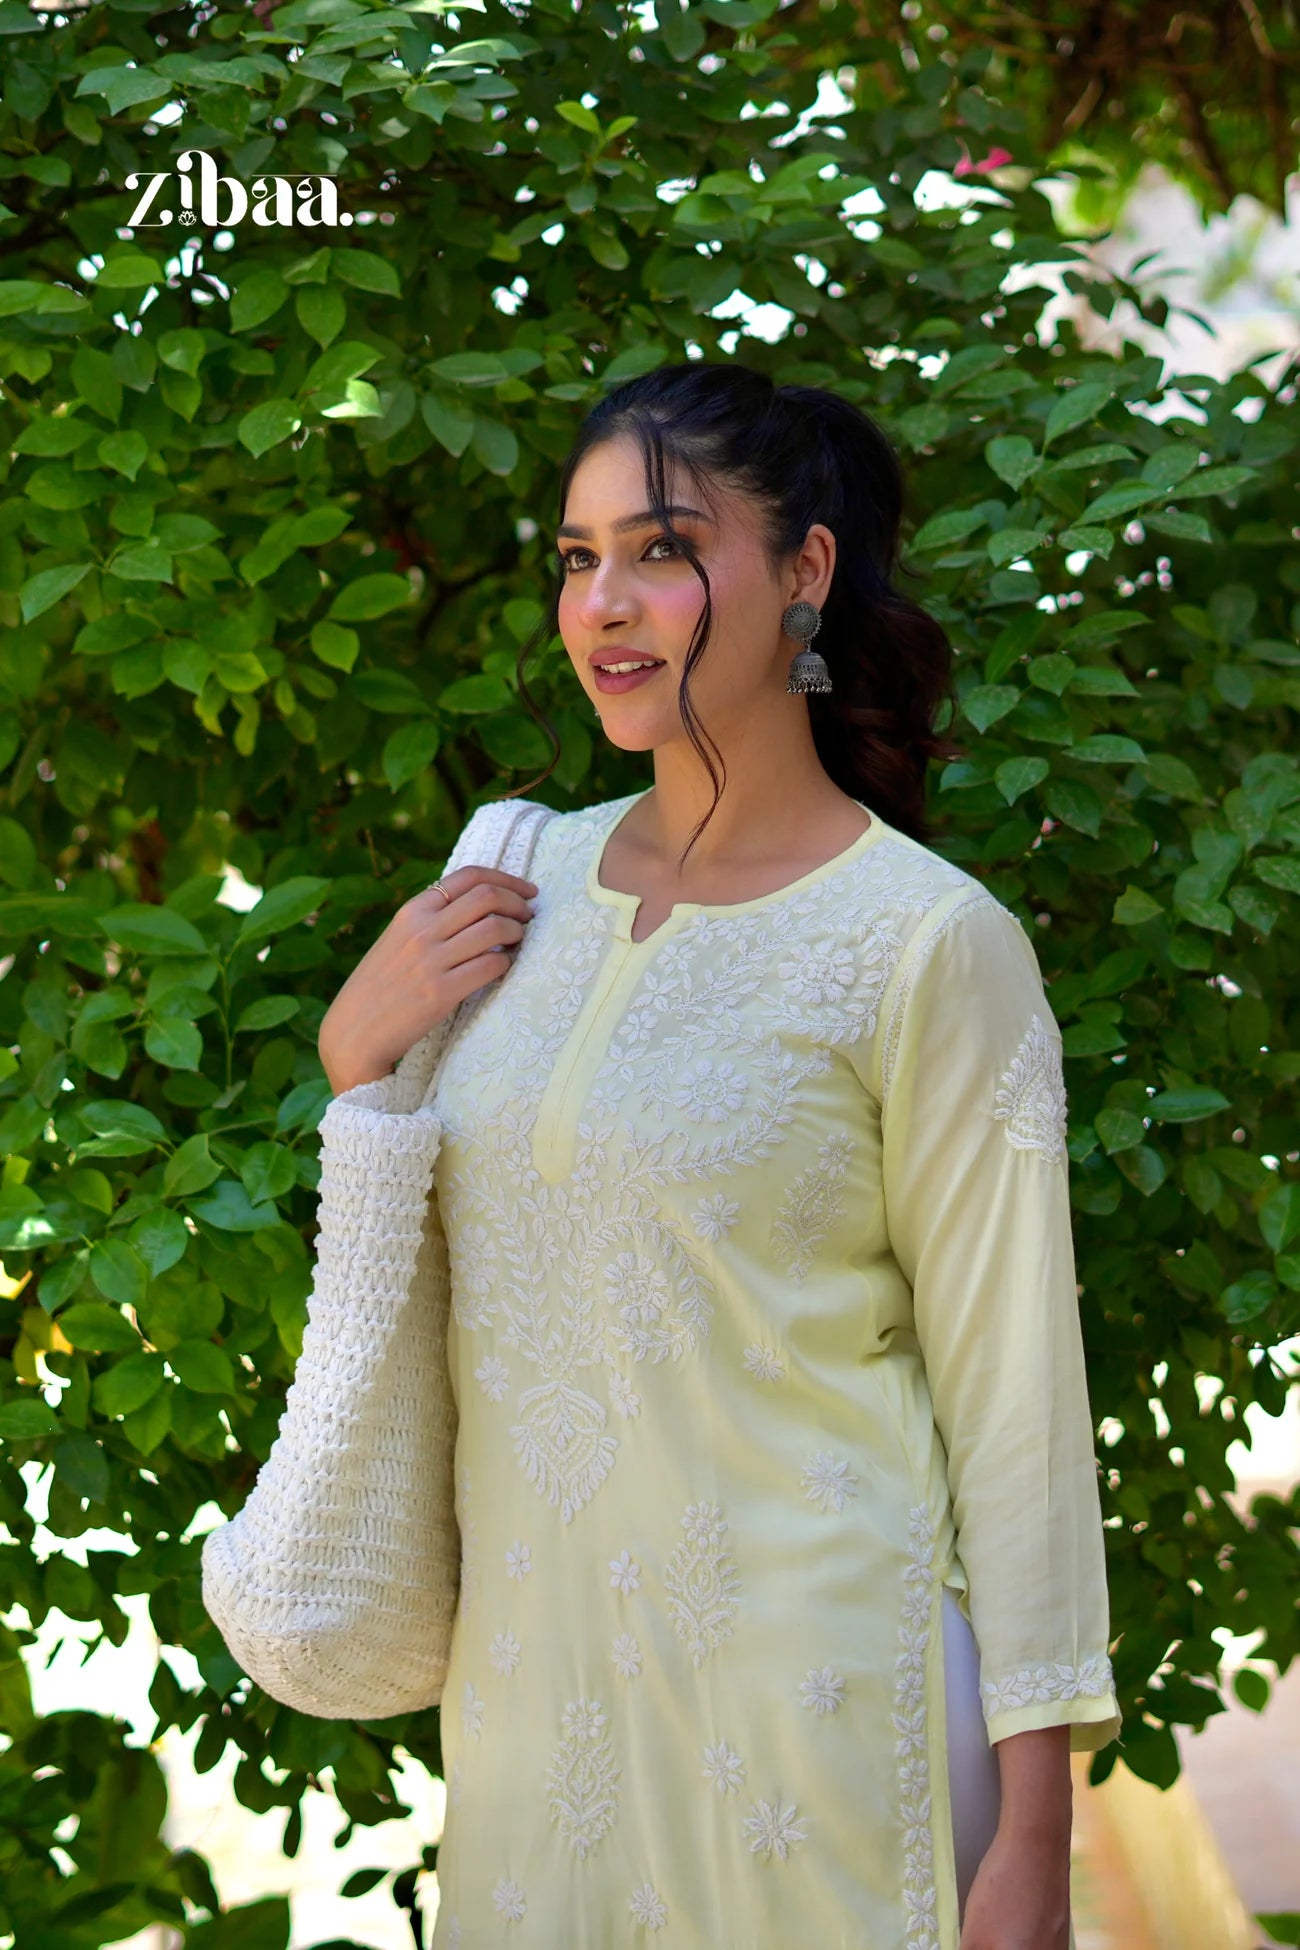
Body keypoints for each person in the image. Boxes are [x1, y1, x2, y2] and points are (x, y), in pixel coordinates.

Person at [312, 363, 1123, 1947]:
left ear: (805, 573)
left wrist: (1035, 1838)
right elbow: (397, 1306)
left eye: (664, 549)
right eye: (577, 555)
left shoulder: (925, 943)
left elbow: (1020, 1407)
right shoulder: (509, 884)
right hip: (536, 1734)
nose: (604, 602)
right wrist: (361, 1060)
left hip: (826, 1733)